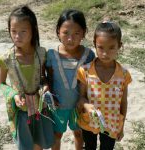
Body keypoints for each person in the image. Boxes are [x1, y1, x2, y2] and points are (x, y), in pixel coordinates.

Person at [0, 5, 54, 150]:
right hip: (21, 112)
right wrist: (14, 95)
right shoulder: (6, 59)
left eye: (23, 31)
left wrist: (45, 86)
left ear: (33, 30)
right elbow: (1, 84)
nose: (17, 36)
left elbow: (43, 78)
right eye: (13, 31)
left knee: (38, 146)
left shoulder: (41, 54)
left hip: (39, 110)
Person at [77, 21, 132, 150]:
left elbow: (123, 103)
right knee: (89, 146)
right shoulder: (85, 71)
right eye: (100, 47)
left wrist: (121, 127)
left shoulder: (124, 75)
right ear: (94, 45)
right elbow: (81, 97)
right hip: (89, 121)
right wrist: (86, 105)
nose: (105, 53)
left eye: (111, 47)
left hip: (112, 124)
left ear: (120, 46)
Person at [46, 9, 95, 150]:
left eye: (76, 33)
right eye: (65, 33)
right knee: (57, 135)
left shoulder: (88, 55)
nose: (70, 38)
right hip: (58, 106)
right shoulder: (51, 54)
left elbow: (92, 80)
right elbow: (48, 77)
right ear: (58, 31)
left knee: (79, 134)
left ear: (84, 33)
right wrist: (49, 94)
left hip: (78, 106)